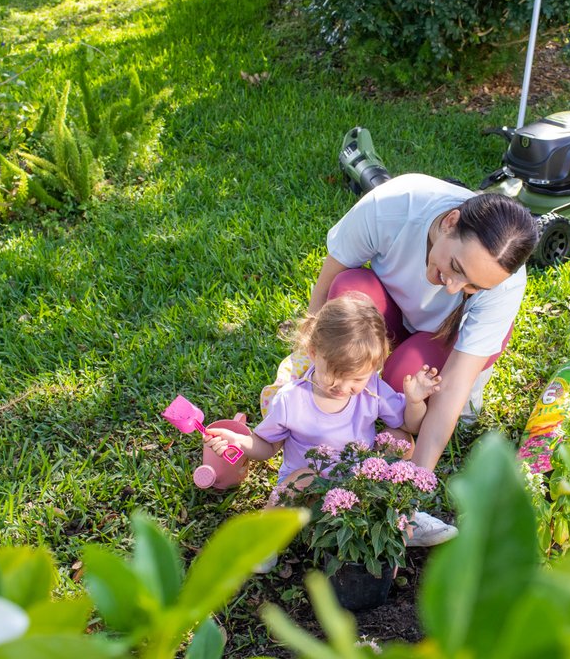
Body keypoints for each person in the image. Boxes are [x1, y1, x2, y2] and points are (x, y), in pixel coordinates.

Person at [307, 174, 537, 542]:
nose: (453, 288)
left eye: (473, 287)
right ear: (450, 223)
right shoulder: (394, 205)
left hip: (445, 337)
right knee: (349, 289)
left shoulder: (505, 284)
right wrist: (306, 361)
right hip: (389, 308)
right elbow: (326, 284)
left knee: (403, 382)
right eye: (458, 268)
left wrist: (410, 491)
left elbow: (451, 392)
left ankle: (447, 379)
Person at [202, 294, 448, 547]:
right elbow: (267, 447)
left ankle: (403, 518)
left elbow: (410, 426)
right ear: (313, 353)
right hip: (310, 492)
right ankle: (264, 539)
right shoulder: (292, 399)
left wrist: (415, 401)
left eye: (356, 378)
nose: (343, 386)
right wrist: (240, 441)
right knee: (303, 477)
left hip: (361, 484)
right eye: (335, 374)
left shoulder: (371, 388)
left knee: (401, 440)